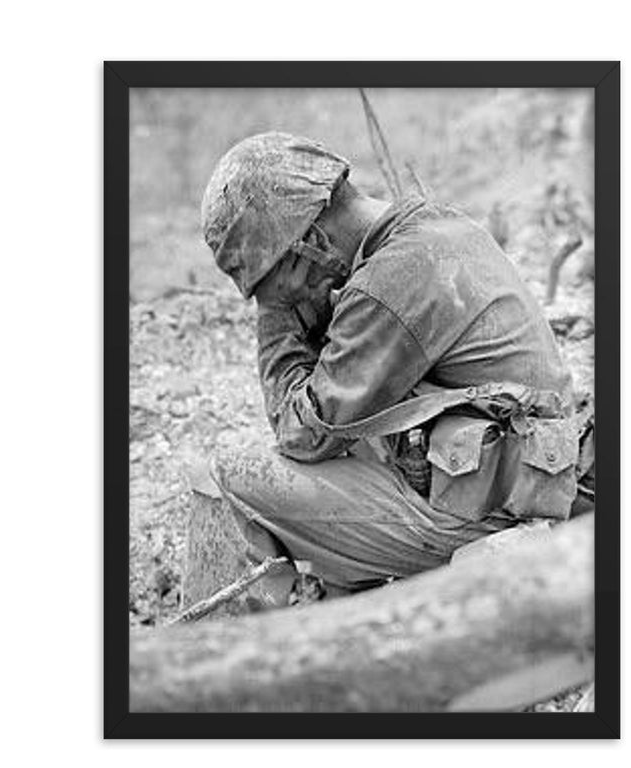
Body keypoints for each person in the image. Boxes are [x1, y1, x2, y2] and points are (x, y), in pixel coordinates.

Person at [200, 131, 592, 606]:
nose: (284, 299)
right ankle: (343, 607)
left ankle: (235, 661)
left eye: (276, 284)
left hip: (491, 509)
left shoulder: (389, 282)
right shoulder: (431, 228)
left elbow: (299, 433)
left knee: (226, 478)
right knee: (355, 435)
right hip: (518, 480)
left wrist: (277, 319)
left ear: (315, 241)